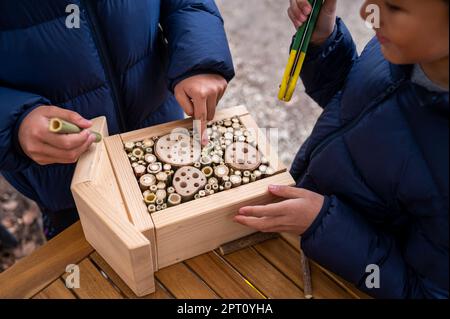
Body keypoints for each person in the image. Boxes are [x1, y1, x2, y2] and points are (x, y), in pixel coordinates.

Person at [235, 0, 448, 298]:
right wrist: (325, 40)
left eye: (395, 7)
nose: (366, 12)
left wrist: (325, 224)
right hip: (305, 221)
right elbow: (353, 105)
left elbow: (423, 293)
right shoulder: (410, 47)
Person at [0, 0, 234, 239]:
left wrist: (199, 58)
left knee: (182, 238)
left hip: (160, 131)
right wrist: (13, 124)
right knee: (91, 253)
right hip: (66, 175)